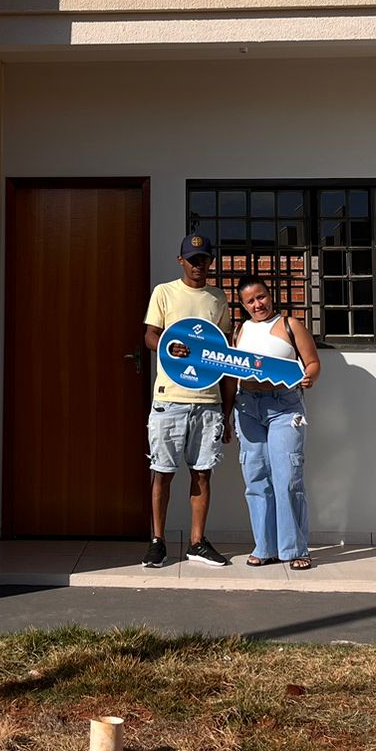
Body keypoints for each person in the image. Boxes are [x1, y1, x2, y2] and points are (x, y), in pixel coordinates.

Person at [141, 233, 236, 568]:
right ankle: (157, 541)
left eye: (204, 259)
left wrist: (228, 412)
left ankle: (197, 542)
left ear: (211, 262)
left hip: (208, 400)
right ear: (180, 260)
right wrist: (168, 344)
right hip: (170, 398)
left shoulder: (218, 297)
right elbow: (150, 335)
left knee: (202, 473)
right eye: (193, 259)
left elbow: (225, 352)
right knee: (162, 472)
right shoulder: (164, 292)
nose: (199, 265)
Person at [232, 275, 320, 570]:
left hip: (285, 407)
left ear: (270, 295)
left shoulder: (290, 325)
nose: (258, 304)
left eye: (261, 297)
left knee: (287, 479)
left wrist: (310, 376)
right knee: (256, 480)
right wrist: (226, 414)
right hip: (246, 406)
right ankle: (265, 547)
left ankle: (295, 549)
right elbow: (231, 373)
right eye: (250, 301)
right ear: (243, 306)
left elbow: (313, 362)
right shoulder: (239, 331)